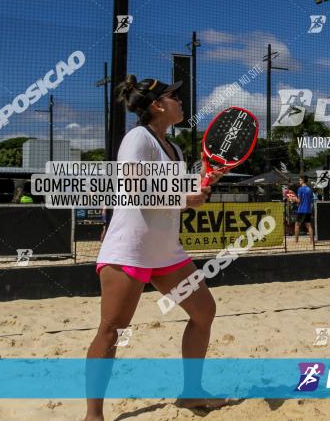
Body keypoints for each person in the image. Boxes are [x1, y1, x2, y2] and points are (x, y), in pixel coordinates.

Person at [84, 76, 226, 420]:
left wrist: (206, 180)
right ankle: (94, 415)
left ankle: (191, 393)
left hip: (165, 252)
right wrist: (183, 197)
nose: (180, 101)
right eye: (173, 96)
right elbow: (133, 190)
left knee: (204, 312)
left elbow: (173, 195)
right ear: (157, 105)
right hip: (129, 250)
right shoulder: (137, 138)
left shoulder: (173, 148)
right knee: (111, 330)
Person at [294, 175, 314, 244]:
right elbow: (310, 200)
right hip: (308, 210)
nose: (299, 181)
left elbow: (299, 201)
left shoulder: (300, 189)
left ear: (303, 180)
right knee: (309, 225)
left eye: (300, 180)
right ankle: (311, 241)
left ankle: (296, 241)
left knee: (297, 225)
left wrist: (294, 199)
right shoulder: (310, 189)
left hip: (301, 210)